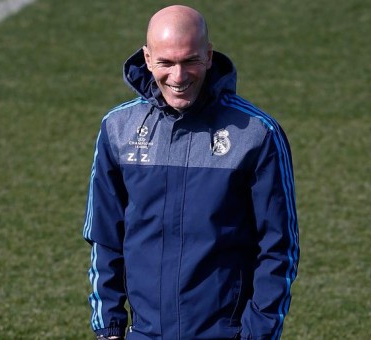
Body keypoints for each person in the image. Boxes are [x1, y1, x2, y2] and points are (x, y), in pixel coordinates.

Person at [82, 5, 299, 339]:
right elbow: (105, 238)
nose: (179, 77)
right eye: (166, 63)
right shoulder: (117, 129)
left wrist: (259, 333)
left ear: (209, 55)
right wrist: (109, 327)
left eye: (190, 61)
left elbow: (279, 247)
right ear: (148, 57)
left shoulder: (257, 134)